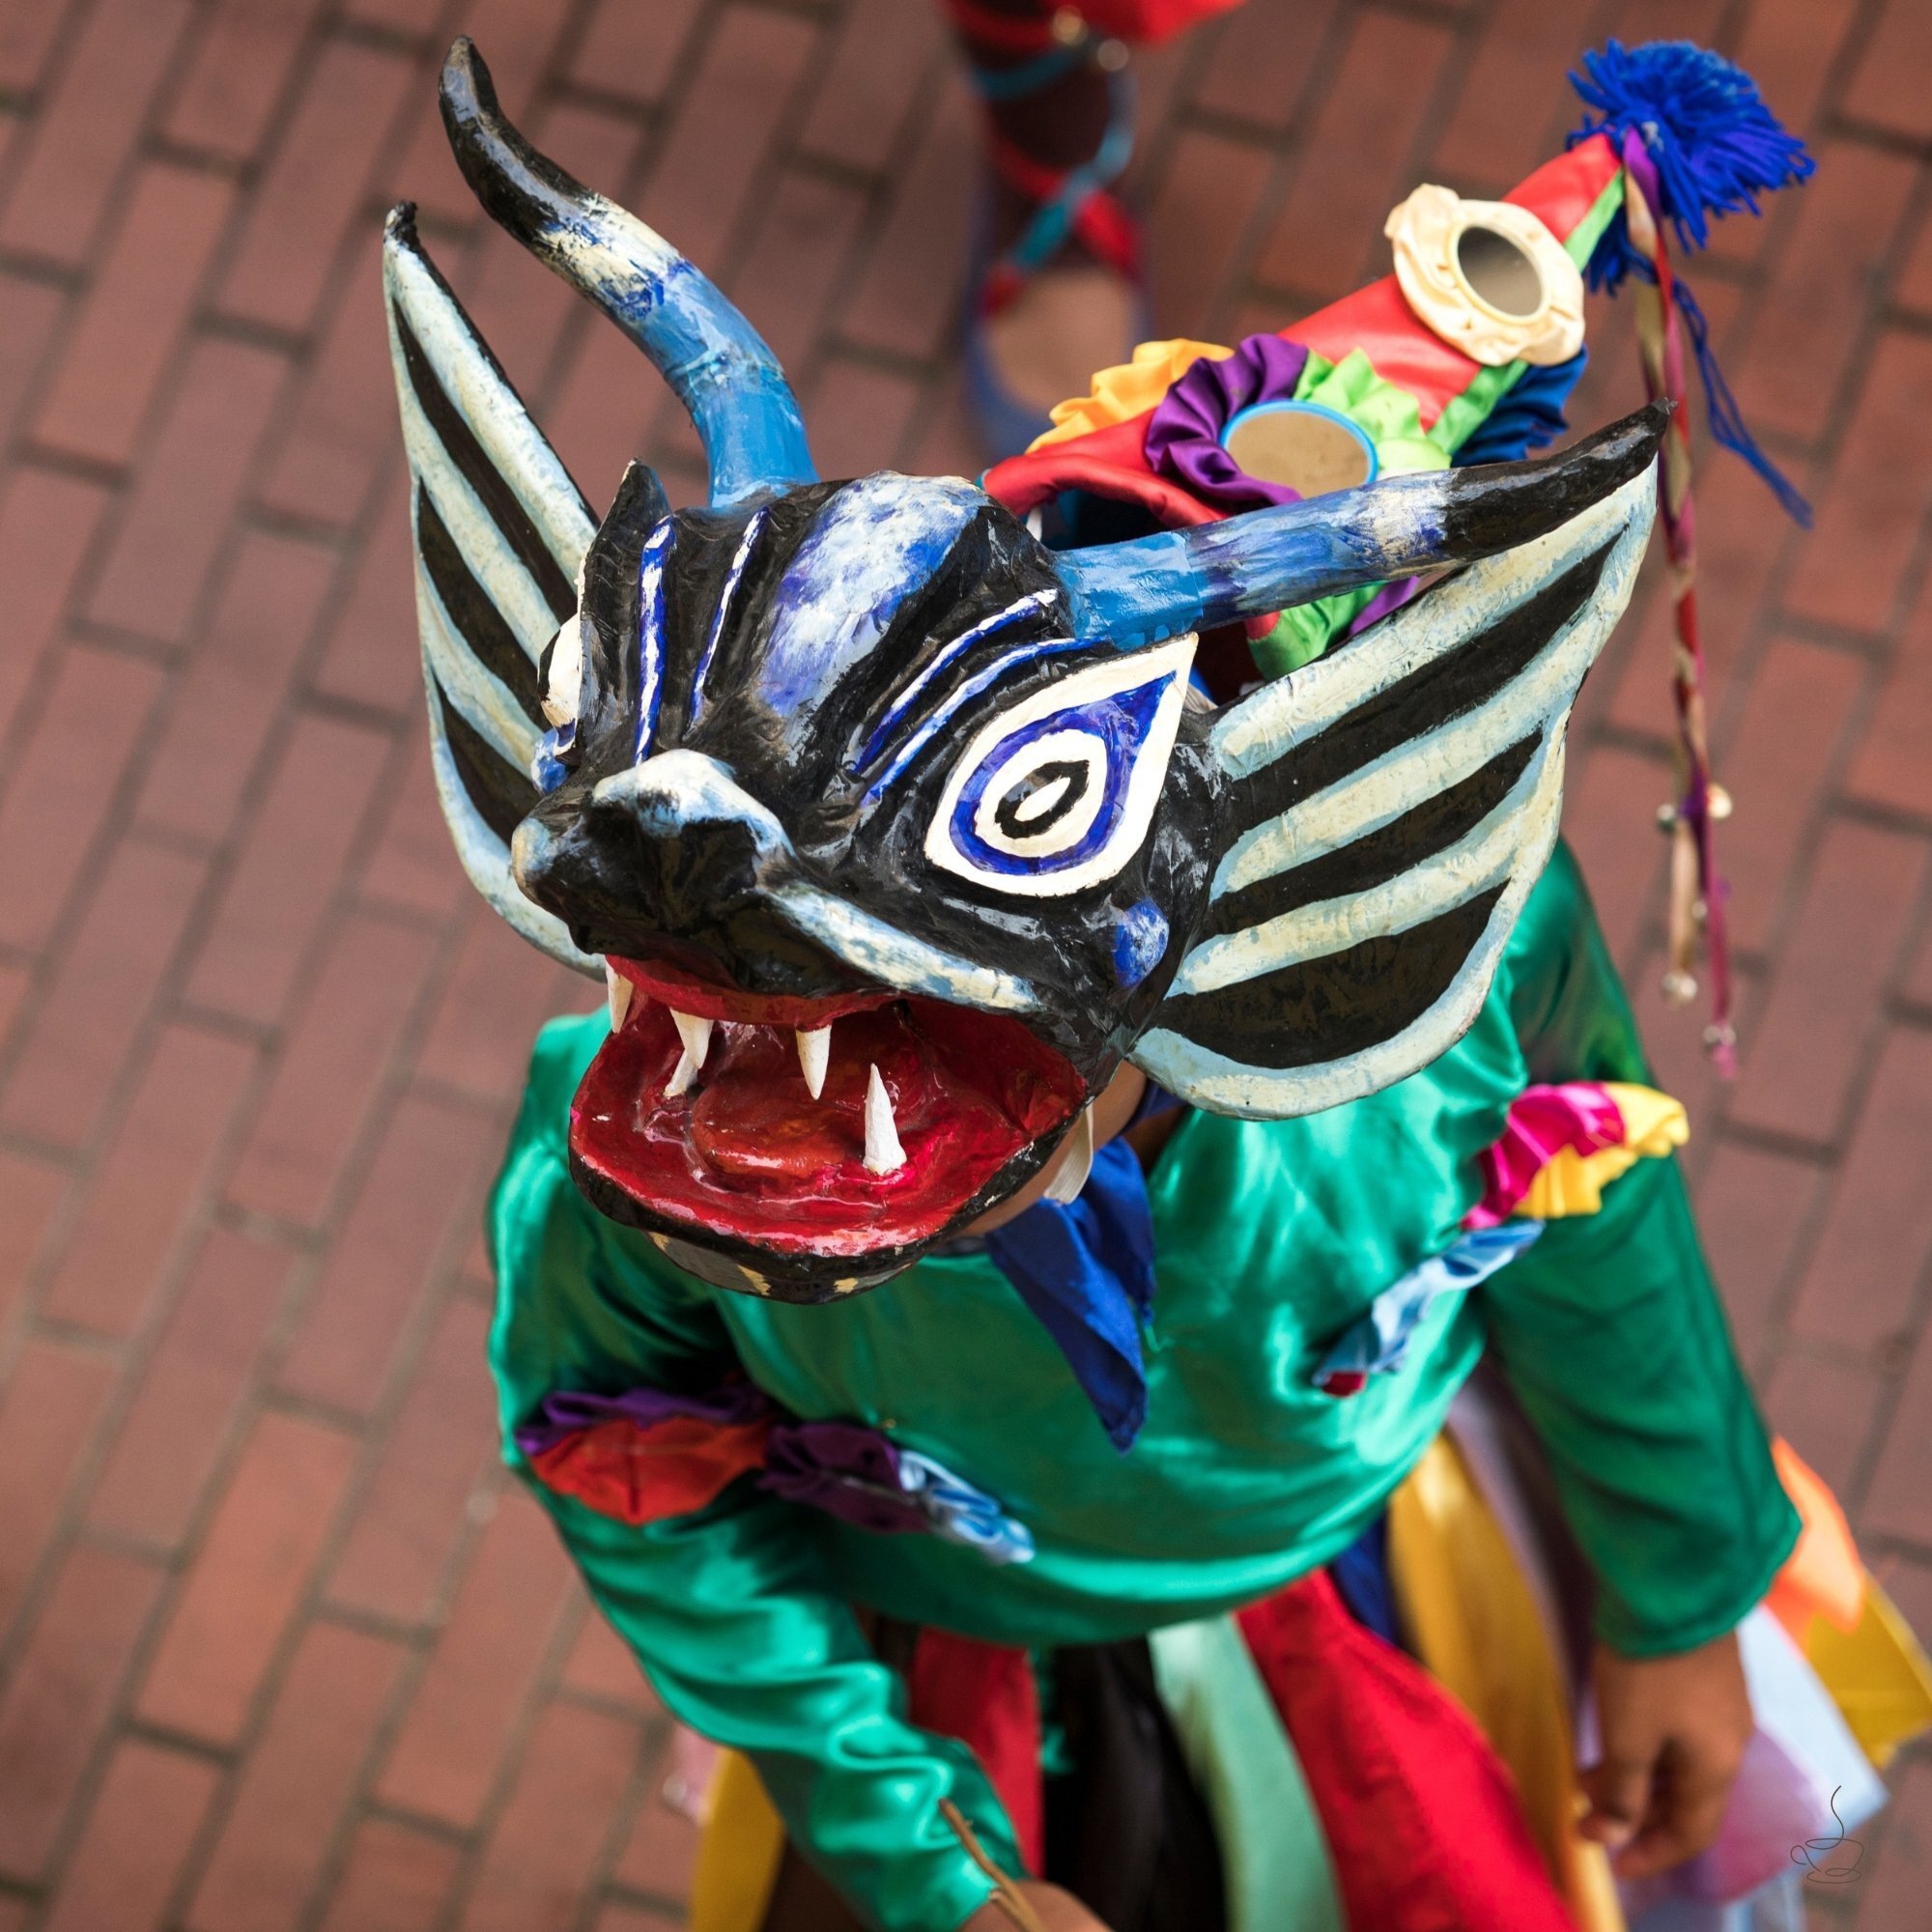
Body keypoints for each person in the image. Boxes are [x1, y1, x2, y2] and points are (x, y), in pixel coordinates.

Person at [384, 31, 1930, 1932]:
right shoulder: (668, 1124)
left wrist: (1676, 1592)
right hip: (964, 1699)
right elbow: (621, 1461)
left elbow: (1593, 1218)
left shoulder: (1452, 989)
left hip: (1387, 1589)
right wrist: (927, 1859)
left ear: (1308, 891)